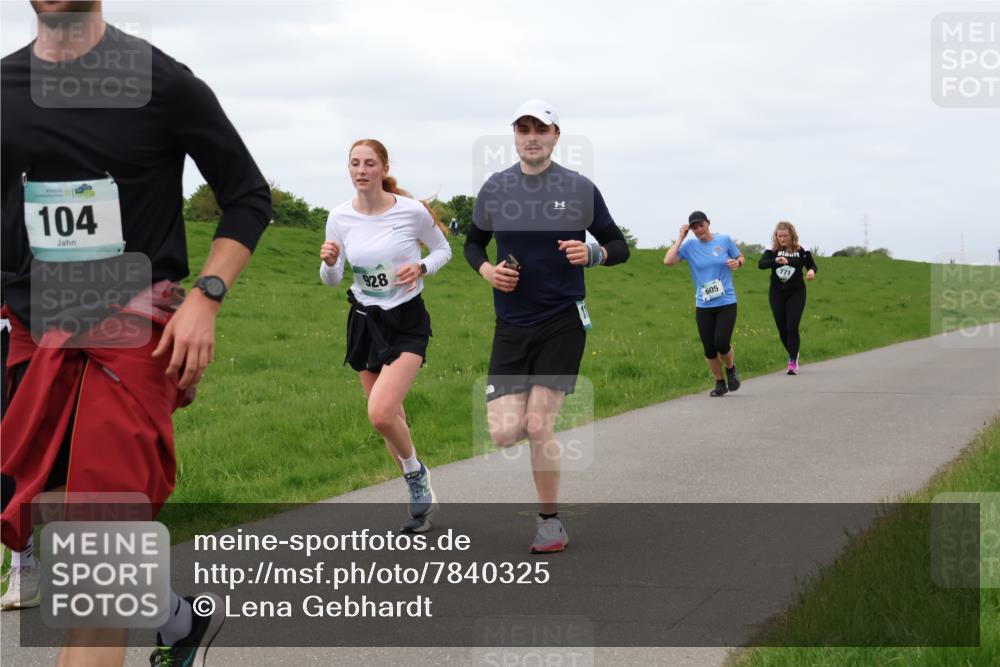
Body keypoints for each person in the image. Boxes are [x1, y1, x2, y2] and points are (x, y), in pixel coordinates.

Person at [1, 3, 271, 665]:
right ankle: (177, 620)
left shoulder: (163, 83)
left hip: (131, 341)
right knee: (78, 542)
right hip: (34, 344)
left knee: (95, 578)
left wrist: (206, 297)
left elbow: (247, 195)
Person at [464, 99, 630, 553]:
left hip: (562, 320)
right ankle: (529, 434)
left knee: (539, 424)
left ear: (556, 136)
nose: (531, 136)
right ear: (515, 135)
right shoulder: (495, 189)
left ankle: (550, 522)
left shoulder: (578, 188)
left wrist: (593, 254)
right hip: (511, 325)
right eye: (523, 128)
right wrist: (487, 272)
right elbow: (474, 245)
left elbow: (619, 244)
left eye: (541, 128)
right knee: (502, 433)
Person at [320, 139, 451, 533]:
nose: (361, 170)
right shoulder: (339, 217)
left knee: (379, 413)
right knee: (393, 416)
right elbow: (331, 279)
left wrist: (422, 268)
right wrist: (328, 262)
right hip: (365, 322)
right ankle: (421, 507)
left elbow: (444, 249)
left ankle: (416, 475)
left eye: (369, 163)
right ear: (349, 169)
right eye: (355, 163)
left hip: (407, 320)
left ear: (383, 167)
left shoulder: (411, 212)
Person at [663, 211, 745, 397]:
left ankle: (731, 369)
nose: (699, 229)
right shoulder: (690, 246)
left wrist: (737, 263)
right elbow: (668, 261)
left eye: (701, 225)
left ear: (708, 223)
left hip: (726, 301)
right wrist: (680, 238)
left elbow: (740, 257)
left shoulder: (724, 240)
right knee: (709, 348)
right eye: (694, 227)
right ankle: (719, 382)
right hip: (704, 304)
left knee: (721, 342)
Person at [758, 221, 817, 374]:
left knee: (792, 326)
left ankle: (792, 360)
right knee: (782, 328)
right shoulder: (772, 249)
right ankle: (793, 351)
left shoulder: (801, 249)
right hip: (777, 293)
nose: (782, 239)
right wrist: (775, 260)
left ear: (792, 235)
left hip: (796, 292)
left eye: (785, 236)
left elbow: (810, 264)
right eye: (779, 236)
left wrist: (811, 271)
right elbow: (762, 264)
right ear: (776, 236)